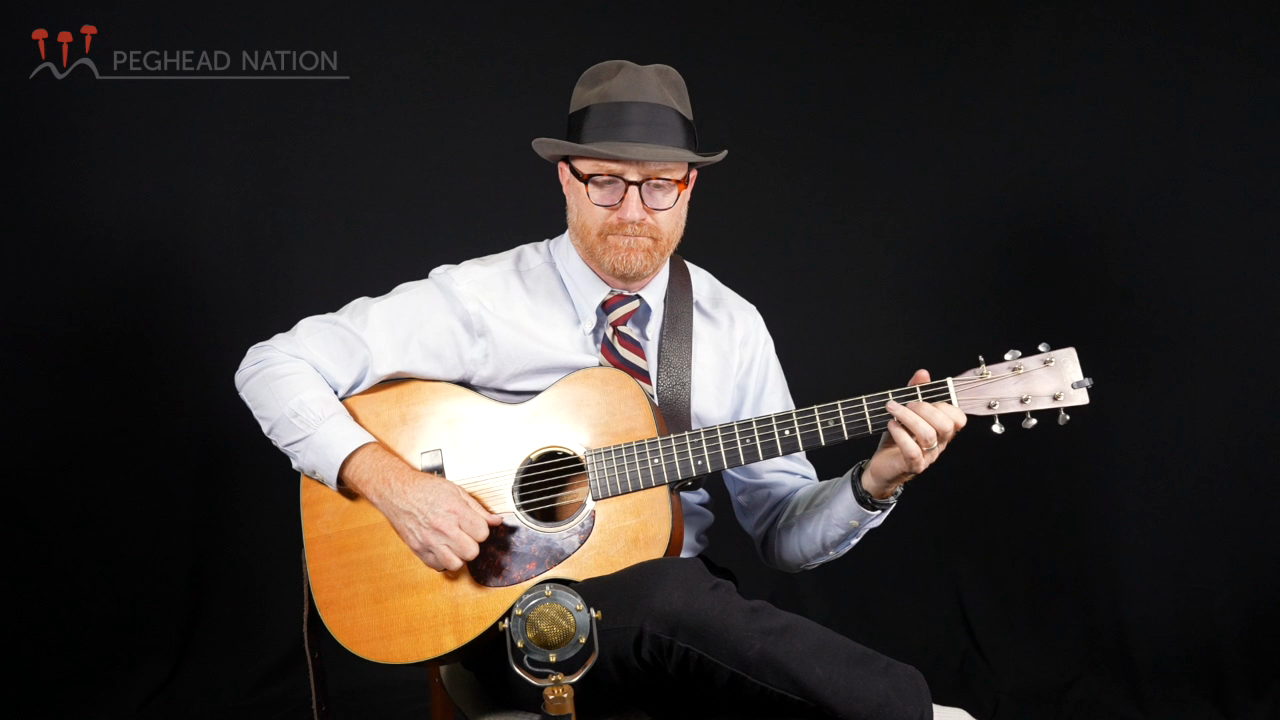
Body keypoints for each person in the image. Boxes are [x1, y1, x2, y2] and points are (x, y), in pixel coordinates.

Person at [236, 60, 972, 720]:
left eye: (657, 186)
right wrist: (398, 486)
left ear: (689, 188)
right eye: (606, 181)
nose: (631, 211)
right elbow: (271, 366)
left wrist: (874, 484)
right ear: (566, 177)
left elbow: (781, 531)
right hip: (518, 622)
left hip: (683, 626)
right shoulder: (481, 298)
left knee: (680, 600)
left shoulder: (730, 326)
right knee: (673, 601)